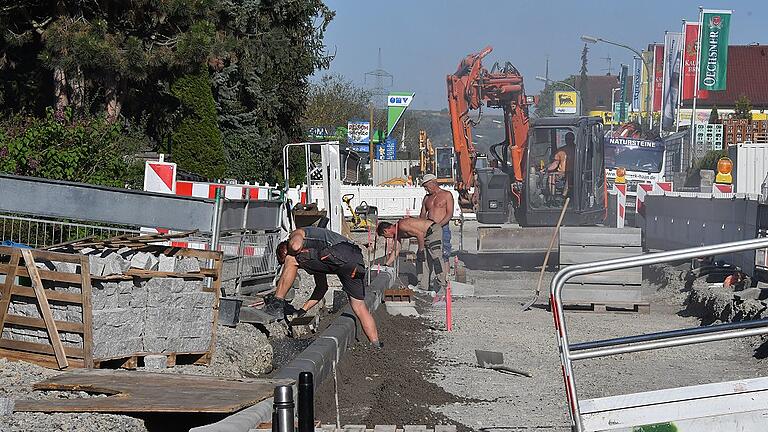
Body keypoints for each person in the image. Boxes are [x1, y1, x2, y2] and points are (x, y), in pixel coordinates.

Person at [265, 226, 381, 348]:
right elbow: (321, 288)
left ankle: (276, 304)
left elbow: (295, 247)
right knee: (359, 306)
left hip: (339, 252)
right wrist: (302, 310)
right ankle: (375, 344)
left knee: (291, 259)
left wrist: (291, 257)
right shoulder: (316, 256)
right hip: (355, 261)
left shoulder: (296, 235)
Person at [376, 218, 447, 295]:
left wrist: (421, 250)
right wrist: (386, 265)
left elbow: (419, 234)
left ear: (386, 231)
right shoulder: (398, 234)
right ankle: (423, 286)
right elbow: (396, 250)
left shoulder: (402, 225)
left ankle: (442, 286)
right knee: (421, 260)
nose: (387, 238)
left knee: (436, 257)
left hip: (432, 231)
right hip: (425, 236)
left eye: (384, 236)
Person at [419, 174, 455, 265]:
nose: (426, 189)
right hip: (428, 228)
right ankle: (433, 277)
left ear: (432, 183)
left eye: (426, 187)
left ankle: (446, 277)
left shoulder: (446, 195)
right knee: (430, 253)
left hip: (442, 228)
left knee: (444, 254)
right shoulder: (427, 198)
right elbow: (423, 214)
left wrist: (438, 225)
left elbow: (449, 214)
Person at [545, 131, 575, 197]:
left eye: (570, 139)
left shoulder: (577, 150)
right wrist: (546, 169)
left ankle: (563, 196)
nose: (569, 140)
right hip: (561, 173)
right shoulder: (561, 150)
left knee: (569, 177)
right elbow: (555, 163)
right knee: (551, 176)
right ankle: (552, 196)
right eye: (567, 139)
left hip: (573, 173)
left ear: (573, 139)